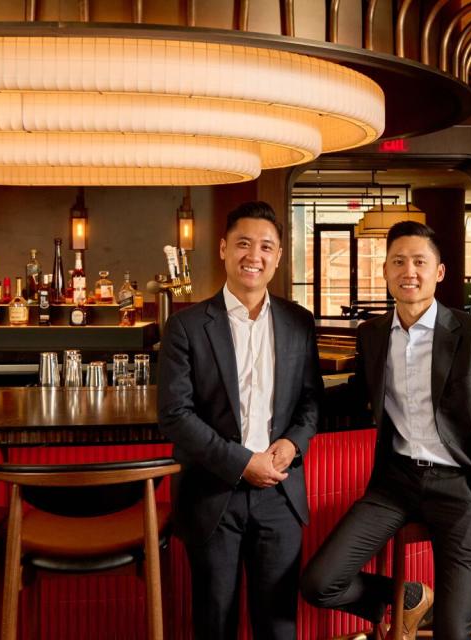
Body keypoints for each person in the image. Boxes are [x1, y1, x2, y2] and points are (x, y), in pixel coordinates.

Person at [301, 221, 471, 640]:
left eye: (420, 262)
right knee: (320, 582)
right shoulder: (372, 335)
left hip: (461, 487)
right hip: (396, 483)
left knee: (451, 631)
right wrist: (287, 408)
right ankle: (406, 597)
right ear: (386, 271)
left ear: (439, 273)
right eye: (399, 261)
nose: (409, 271)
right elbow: (357, 395)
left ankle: (433, 609)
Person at [158, 201, 322, 640]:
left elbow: (310, 403)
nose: (255, 255)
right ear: (224, 248)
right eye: (244, 244)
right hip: (213, 493)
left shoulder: (298, 322)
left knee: (278, 625)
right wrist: (241, 462)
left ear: (279, 256)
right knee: (215, 623)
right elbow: (175, 414)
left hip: (280, 492)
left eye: (266, 246)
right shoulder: (186, 325)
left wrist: (290, 446)